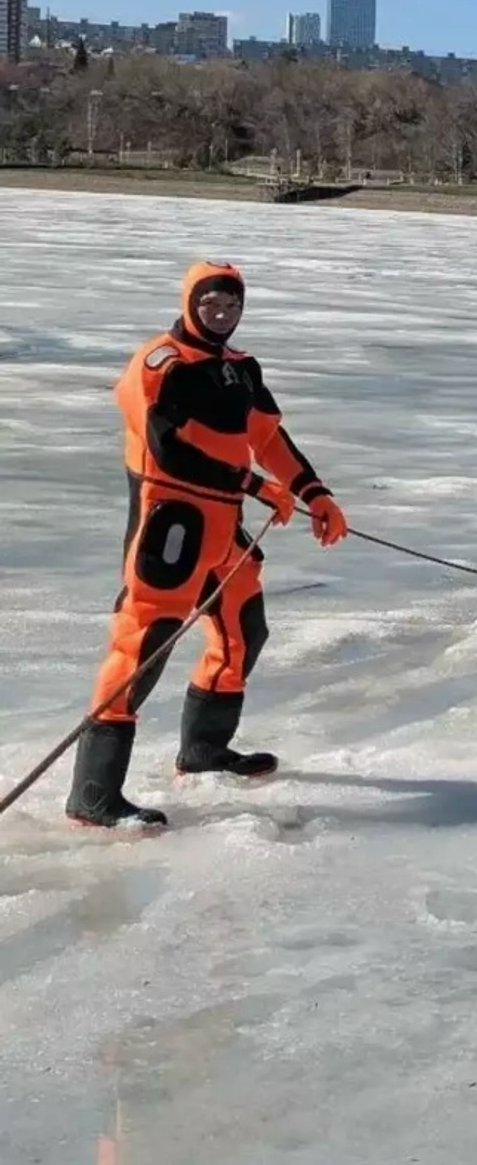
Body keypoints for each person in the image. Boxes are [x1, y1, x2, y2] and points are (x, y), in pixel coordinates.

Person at [66, 260, 348, 831]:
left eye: (231, 306)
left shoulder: (239, 369)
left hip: (226, 529)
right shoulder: (158, 365)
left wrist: (313, 492)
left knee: (244, 632)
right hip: (171, 527)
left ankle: (203, 753)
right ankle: (93, 797)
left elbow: (267, 437)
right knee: (142, 651)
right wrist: (251, 485)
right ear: (190, 301)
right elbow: (167, 450)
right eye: (211, 304)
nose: (221, 315)